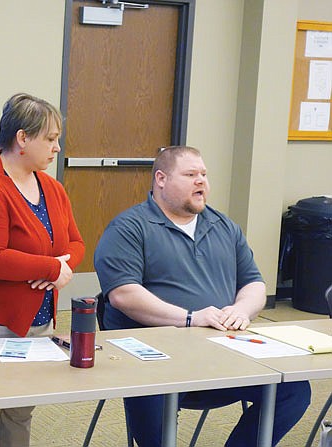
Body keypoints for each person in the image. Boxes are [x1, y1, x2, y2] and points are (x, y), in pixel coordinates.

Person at [94, 145, 310, 446]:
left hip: (224, 352)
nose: (201, 182)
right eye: (190, 174)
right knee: (152, 407)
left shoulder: (223, 226)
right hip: (156, 360)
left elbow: (254, 284)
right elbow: (123, 295)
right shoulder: (129, 228)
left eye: (204, 175)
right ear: (161, 179)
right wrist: (190, 318)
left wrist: (242, 310)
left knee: (293, 389)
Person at [0, 93, 85, 447]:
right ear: (22, 138)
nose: (57, 148)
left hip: (37, 323)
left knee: (20, 411)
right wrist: (50, 267)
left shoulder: (52, 188)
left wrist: (58, 267)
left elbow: (76, 244)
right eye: (51, 139)